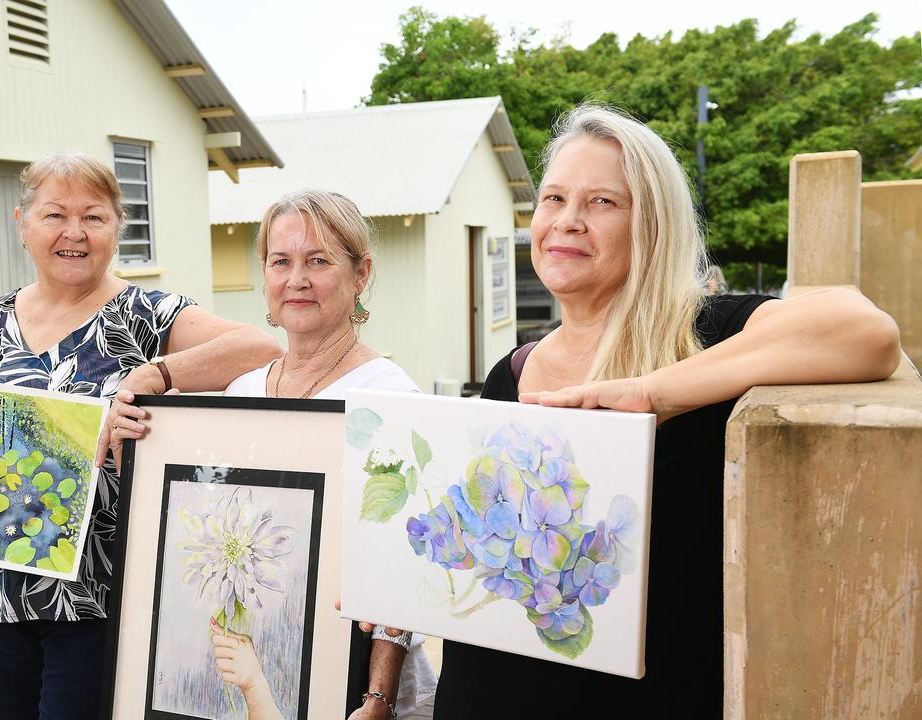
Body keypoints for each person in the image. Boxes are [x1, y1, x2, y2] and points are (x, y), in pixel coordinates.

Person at [433, 105, 900, 714]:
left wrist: (654, 392)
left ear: (652, 224)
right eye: (552, 199)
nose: (566, 222)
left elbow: (866, 333)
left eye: (601, 202)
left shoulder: (709, 335)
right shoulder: (510, 373)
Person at [0, 151, 281, 720]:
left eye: (93, 217)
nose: (74, 233)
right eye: (54, 215)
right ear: (22, 224)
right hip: (4, 598)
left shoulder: (145, 316)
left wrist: (153, 375)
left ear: (118, 227)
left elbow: (262, 349)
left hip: (103, 600)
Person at [112, 190, 437, 720]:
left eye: (318, 260)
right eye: (280, 261)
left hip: (357, 690)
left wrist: (377, 696)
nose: (297, 279)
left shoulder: (391, 399)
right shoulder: (241, 392)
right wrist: (139, 445)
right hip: (257, 677)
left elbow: (401, 570)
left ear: (361, 275)